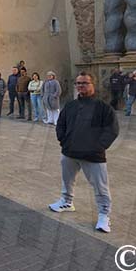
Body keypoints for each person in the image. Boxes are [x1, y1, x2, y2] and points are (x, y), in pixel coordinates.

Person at [48, 71, 119, 233]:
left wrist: (98, 147)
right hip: (69, 152)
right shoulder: (71, 106)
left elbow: (112, 130)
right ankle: (66, 202)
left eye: (85, 83)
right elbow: (61, 124)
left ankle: (104, 215)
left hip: (93, 155)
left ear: (93, 85)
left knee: (100, 187)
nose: (81, 86)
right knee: (67, 181)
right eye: (78, 83)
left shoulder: (103, 108)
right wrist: (63, 141)